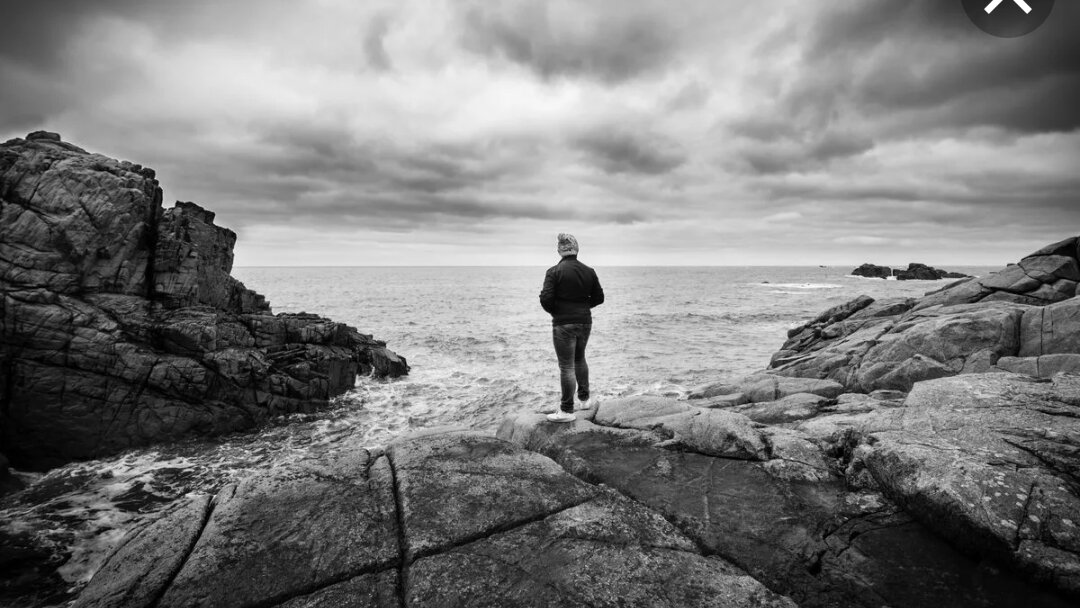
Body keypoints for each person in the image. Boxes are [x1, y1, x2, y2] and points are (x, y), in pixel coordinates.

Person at [538, 233, 605, 422]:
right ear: (576, 249)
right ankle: (584, 400)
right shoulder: (589, 271)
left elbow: (546, 299)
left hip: (563, 323)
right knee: (579, 358)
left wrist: (557, 311)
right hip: (585, 321)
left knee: (566, 366)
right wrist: (582, 308)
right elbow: (599, 298)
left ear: (559, 250)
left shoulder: (554, 272)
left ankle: (567, 411)